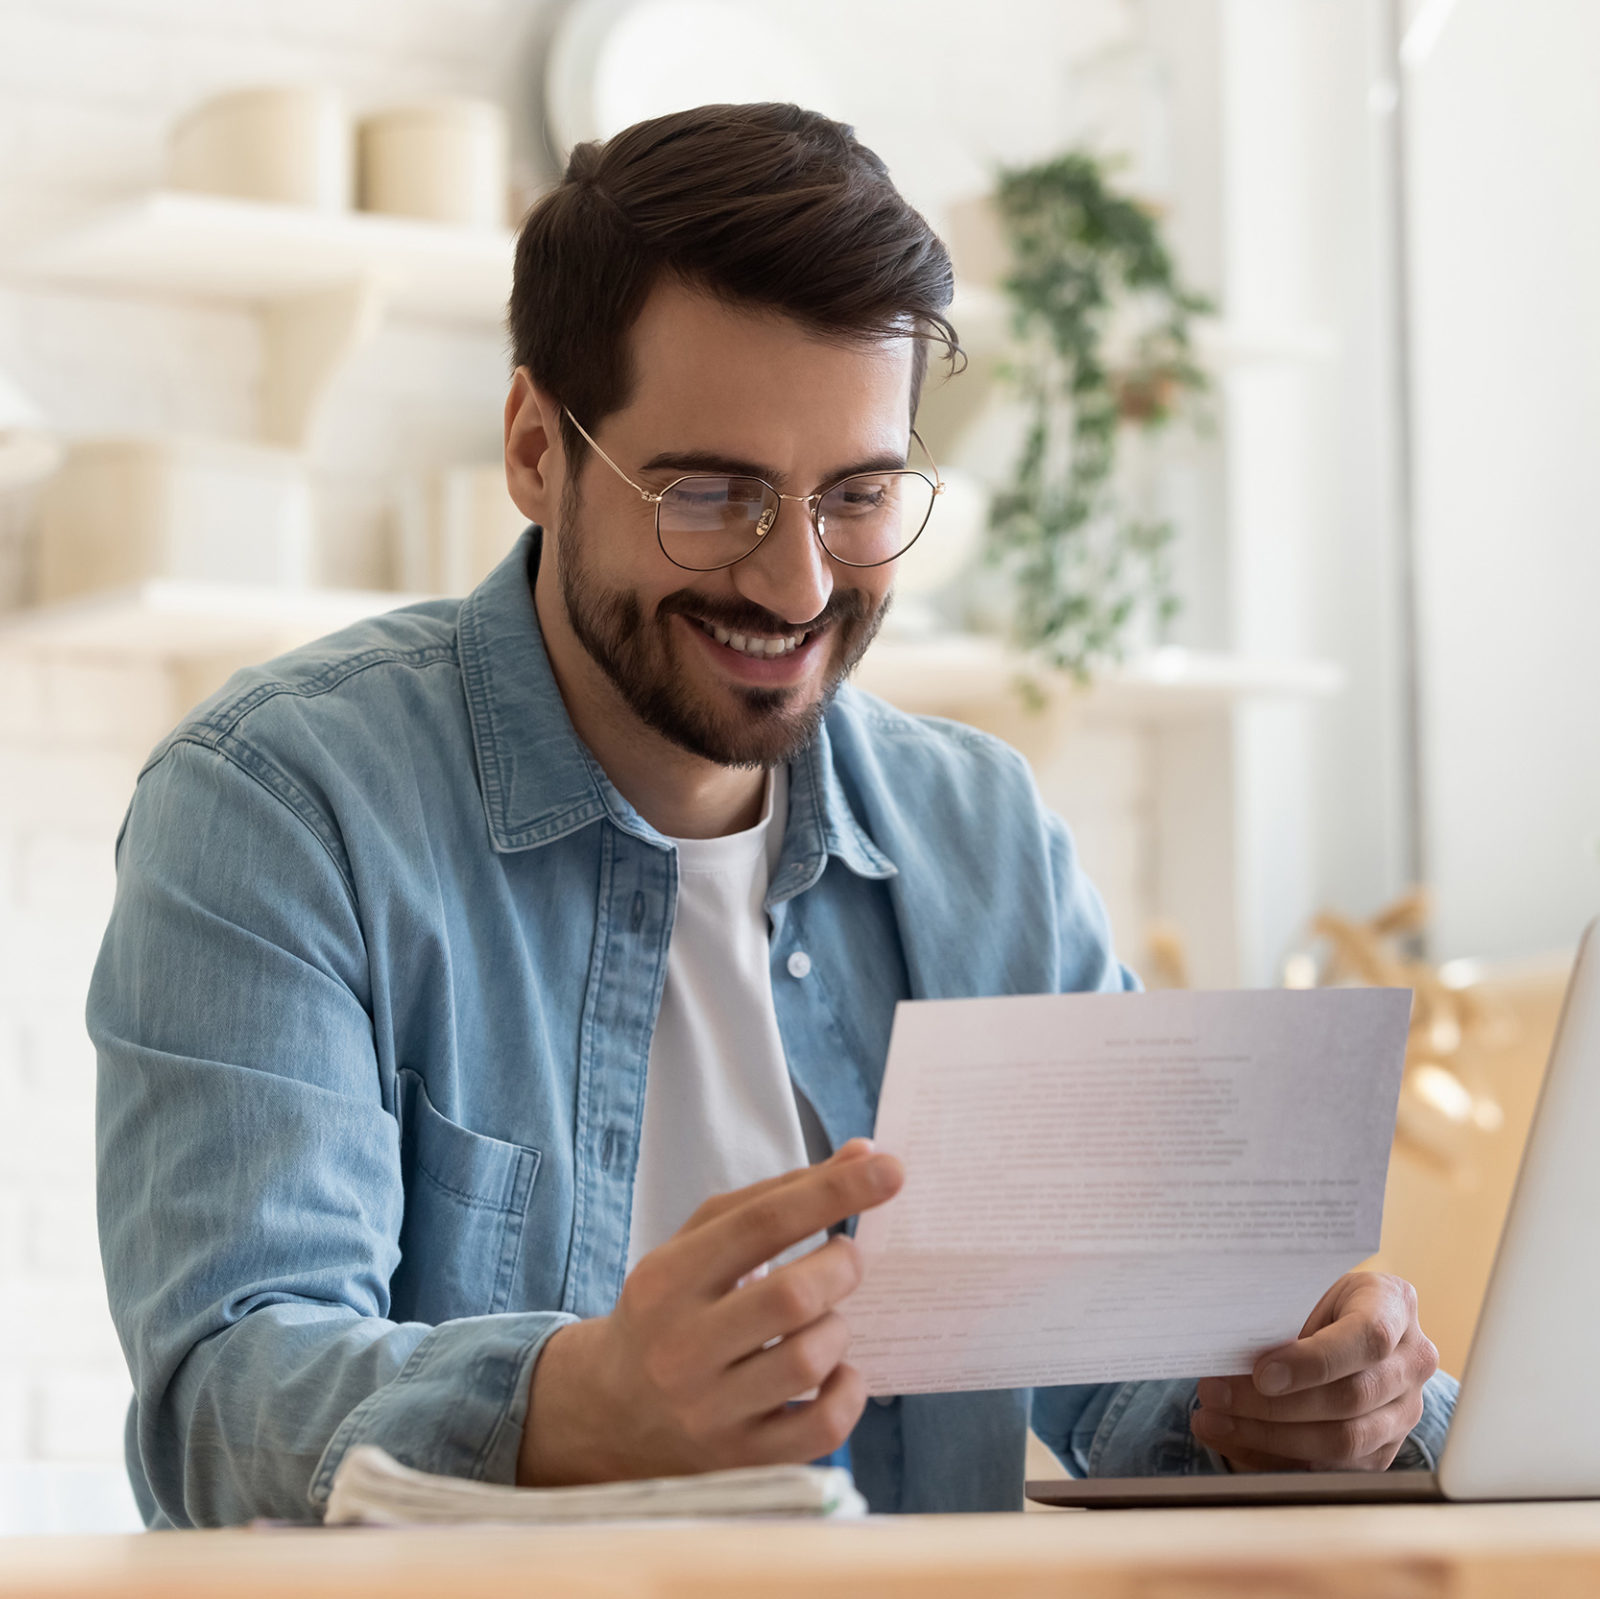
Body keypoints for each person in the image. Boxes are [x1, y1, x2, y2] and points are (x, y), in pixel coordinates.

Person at [90, 103, 1454, 1528]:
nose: (797, 586)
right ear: (535, 447)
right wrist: (575, 1407)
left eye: (855, 495)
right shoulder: (280, 807)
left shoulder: (979, 836)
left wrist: (1317, 1399)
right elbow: (224, 1403)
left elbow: (1120, 1367)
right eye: (715, 493)